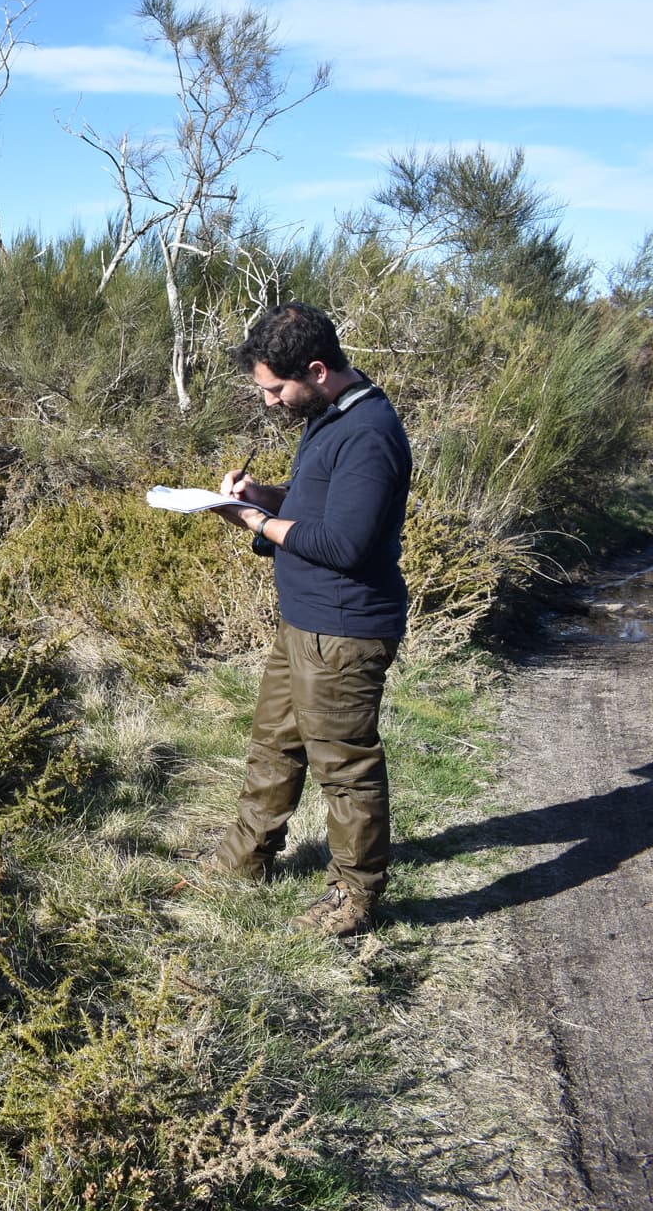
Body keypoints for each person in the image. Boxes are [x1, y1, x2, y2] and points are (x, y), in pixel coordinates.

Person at [207, 301, 412, 937]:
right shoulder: (329, 417)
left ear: (317, 370)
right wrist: (258, 497)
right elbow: (320, 508)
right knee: (273, 744)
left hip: (345, 632)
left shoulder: (369, 432)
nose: (270, 402)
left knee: (344, 768)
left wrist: (258, 524)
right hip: (304, 622)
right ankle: (245, 858)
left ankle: (354, 898)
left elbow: (346, 544)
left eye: (275, 389)